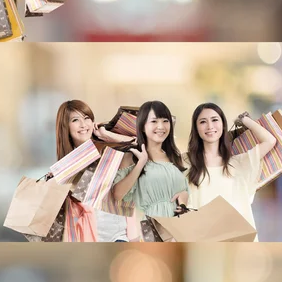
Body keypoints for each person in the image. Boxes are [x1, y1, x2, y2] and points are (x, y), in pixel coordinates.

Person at [185, 103, 276, 242]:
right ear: (196, 128)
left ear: (223, 125)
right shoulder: (186, 162)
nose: (210, 126)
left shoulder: (238, 163)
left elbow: (270, 140)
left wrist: (244, 120)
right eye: (203, 122)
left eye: (215, 120)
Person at [54, 100, 135, 242]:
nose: (83, 124)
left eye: (87, 118)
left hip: (118, 235)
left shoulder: (109, 151)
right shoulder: (64, 167)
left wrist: (108, 136)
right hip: (85, 236)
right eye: (75, 120)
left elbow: (142, 150)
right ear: (65, 127)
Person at [112, 101, 189, 235]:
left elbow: (182, 190)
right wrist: (141, 163)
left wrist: (184, 197)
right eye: (154, 121)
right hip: (152, 227)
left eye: (165, 121)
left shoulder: (174, 156)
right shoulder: (132, 156)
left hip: (178, 227)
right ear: (142, 126)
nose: (161, 126)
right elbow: (117, 194)